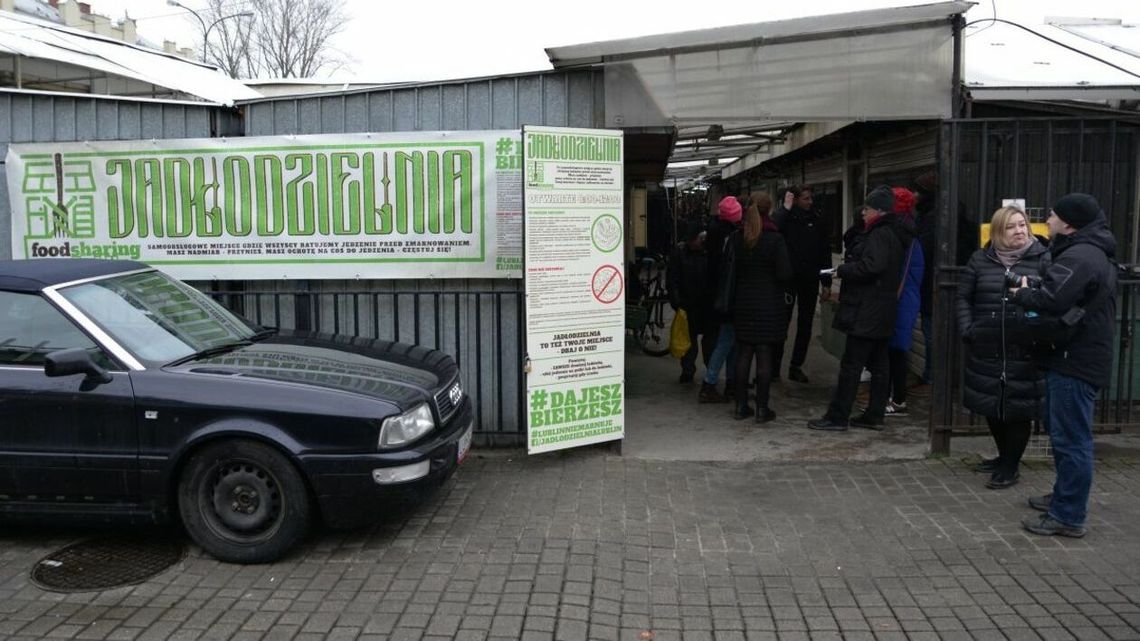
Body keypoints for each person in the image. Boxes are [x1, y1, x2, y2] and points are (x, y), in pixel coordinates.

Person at [1010, 193, 1117, 538]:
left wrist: (1024, 293)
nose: (1048, 221)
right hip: (1074, 355)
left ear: (1070, 224)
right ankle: (1063, 497)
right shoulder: (1086, 252)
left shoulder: (1081, 255)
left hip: (1076, 359)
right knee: (1064, 435)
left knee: (1071, 440)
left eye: (1053, 216)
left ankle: (1069, 515)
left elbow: (1053, 299)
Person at [955, 206, 1049, 489]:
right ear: (998, 231)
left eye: (1023, 225)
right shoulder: (980, 260)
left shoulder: (1044, 259)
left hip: (1025, 346)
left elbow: (1052, 298)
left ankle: (1010, 466)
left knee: (1019, 407)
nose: (1020, 231)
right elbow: (963, 297)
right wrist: (968, 329)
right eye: (1012, 226)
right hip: (987, 344)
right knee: (991, 403)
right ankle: (1002, 456)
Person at [808, 186, 906, 432]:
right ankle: (874, 415)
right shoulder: (893, 233)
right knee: (880, 364)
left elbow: (871, 267)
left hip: (867, 310)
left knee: (851, 364)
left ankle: (838, 416)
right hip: (881, 310)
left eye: (869, 209)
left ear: (880, 211)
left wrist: (843, 270)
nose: (864, 213)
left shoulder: (880, 234)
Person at [725, 192, 792, 422]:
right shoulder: (775, 238)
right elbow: (785, 273)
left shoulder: (738, 238)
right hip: (769, 304)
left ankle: (741, 406)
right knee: (764, 355)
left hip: (743, 303)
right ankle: (762, 409)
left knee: (743, 354)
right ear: (769, 210)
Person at [772, 185, 832, 383]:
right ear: (796, 200)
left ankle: (796, 365)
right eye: (806, 198)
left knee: (805, 324)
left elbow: (825, 253)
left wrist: (826, 282)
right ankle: (773, 368)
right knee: (781, 323)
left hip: (810, 278)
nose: (810, 202)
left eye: (810, 198)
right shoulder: (786, 219)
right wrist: (785, 208)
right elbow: (773, 226)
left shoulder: (817, 220)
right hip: (788, 280)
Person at [699, 196, 743, 403]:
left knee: (730, 340)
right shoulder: (730, 237)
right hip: (726, 295)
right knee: (726, 341)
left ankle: (730, 383)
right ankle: (710, 383)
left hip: (715, 294)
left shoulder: (713, 232)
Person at [885, 188, 924, 417]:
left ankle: (898, 399)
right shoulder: (910, 233)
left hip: (899, 301)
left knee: (896, 352)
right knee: (895, 351)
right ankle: (894, 397)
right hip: (906, 299)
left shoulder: (901, 237)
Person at [667, 222, 714, 384]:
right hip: (688, 304)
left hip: (706, 305)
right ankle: (688, 370)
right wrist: (677, 302)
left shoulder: (709, 251)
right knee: (689, 339)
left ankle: (710, 371)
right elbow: (673, 279)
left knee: (708, 341)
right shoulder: (680, 252)